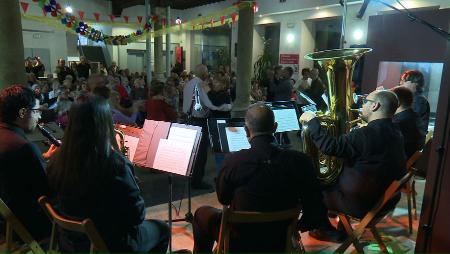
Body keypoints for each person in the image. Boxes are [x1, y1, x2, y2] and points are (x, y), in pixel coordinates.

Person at [193, 103, 341, 253]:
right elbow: (315, 206)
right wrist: (295, 227)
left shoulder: (234, 161)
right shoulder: (300, 161)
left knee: (201, 213)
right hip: (280, 239)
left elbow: (223, 199)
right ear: (275, 127)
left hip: (240, 241)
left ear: (246, 131)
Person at [47, 95, 170, 252]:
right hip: (109, 243)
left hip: (72, 242)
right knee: (162, 229)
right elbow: (137, 216)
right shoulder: (113, 163)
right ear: (104, 123)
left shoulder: (57, 158)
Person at [300, 90, 407, 221]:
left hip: (359, 204)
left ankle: (323, 229)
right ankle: (338, 227)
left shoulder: (365, 134)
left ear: (375, 106)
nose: (362, 105)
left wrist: (312, 120)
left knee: (307, 189)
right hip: (383, 202)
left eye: (365, 101)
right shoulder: (396, 132)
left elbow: (329, 146)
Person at [0, 85, 57, 240]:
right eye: (36, 111)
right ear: (23, 112)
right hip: (28, 224)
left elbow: (15, 170)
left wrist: (43, 157)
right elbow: (47, 190)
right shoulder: (23, 147)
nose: (39, 117)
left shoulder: (6, 139)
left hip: (6, 221)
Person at [182, 64, 231, 189]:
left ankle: (192, 177)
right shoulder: (202, 85)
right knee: (201, 153)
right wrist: (227, 107)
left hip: (189, 119)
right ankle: (197, 181)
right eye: (207, 72)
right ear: (204, 74)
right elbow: (212, 105)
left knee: (194, 152)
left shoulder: (188, 84)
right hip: (201, 121)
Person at [391, 86, 425, 158]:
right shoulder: (414, 116)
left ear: (397, 102)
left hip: (397, 163)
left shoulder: (398, 122)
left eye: (389, 100)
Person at [400, 70, 430, 139]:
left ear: (415, 83)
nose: (400, 83)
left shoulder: (419, 100)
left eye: (404, 81)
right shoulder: (414, 98)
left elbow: (407, 119)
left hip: (410, 141)